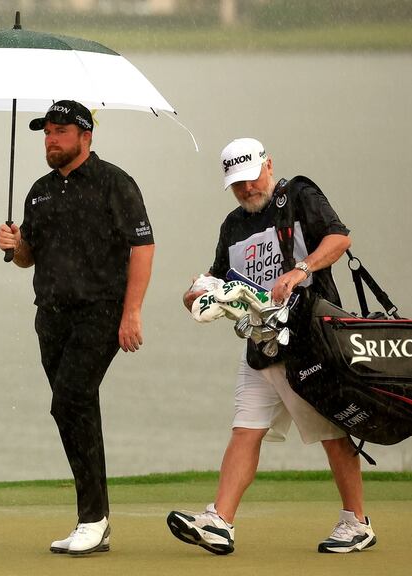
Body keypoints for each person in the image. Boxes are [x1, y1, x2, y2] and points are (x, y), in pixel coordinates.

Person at [166, 137, 376, 555]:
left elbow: (339, 239)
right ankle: (220, 521)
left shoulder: (299, 194)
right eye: (237, 184)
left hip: (311, 341)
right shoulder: (233, 225)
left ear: (268, 165)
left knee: (332, 432)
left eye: (250, 178)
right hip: (261, 347)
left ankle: (357, 523)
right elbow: (219, 279)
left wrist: (299, 270)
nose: (247, 190)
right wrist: (195, 293)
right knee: (245, 431)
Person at [0, 100, 155, 556]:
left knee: (69, 401)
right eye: (46, 131)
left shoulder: (114, 183)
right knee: (77, 409)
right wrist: (15, 243)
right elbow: (29, 257)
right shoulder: (40, 191)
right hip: (51, 316)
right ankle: (96, 521)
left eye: (60, 131)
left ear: (86, 136)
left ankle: (92, 518)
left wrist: (132, 312)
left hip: (101, 311)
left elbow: (142, 247)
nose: (51, 139)